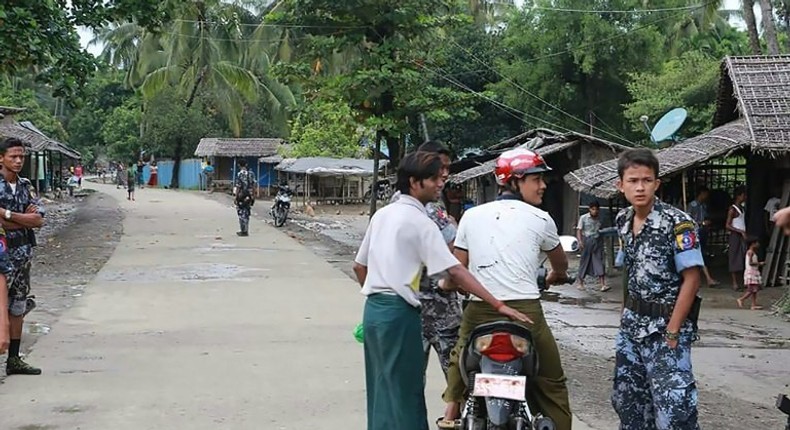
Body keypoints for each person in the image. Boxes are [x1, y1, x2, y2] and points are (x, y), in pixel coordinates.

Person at [352, 151, 530, 430]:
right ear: (414, 182)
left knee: (382, 390)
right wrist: (498, 304)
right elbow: (456, 271)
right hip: (399, 315)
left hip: (374, 312)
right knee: (406, 393)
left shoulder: (382, 215)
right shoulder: (421, 221)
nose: (440, 184)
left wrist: (380, 292)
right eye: (434, 178)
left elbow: (358, 267)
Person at [438, 148, 572, 430]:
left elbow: (459, 268)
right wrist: (555, 276)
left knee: (460, 358)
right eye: (535, 179)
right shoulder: (542, 219)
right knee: (551, 382)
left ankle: (449, 416)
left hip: (478, 311)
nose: (543, 185)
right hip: (526, 313)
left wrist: (454, 287)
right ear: (514, 181)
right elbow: (560, 266)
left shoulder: (471, 217)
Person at [610, 148, 704, 430]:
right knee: (629, 404)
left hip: (665, 328)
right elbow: (630, 272)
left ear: (656, 184)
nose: (640, 187)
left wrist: (673, 332)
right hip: (631, 328)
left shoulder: (677, 223)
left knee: (674, 411)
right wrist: (624, 316)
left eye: (647, 180)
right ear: (621, 185)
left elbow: (692, 278)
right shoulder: (623, 222)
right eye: (633, 180)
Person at [409, 140, 462, 380]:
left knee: (409, 381)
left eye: (446, 168)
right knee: (456, 378)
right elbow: (456, 250)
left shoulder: (398, 204)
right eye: (440, 168)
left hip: (409, 307)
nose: (444, 175)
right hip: (440, 308)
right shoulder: (432, 209)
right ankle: (455, 416)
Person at [0, 137, 45, 375]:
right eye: (13, 157)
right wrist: (22, 219)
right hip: (2, 257)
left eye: (21, 157)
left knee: (18, 306)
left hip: (23, 257)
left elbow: (38, 219)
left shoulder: (26, 185)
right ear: (1, 158)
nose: (18, 161)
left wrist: (7, 215)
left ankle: (14, 360)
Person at [687, 187, 719, 287]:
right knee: (698, 255)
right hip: (694, 232)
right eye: (705, 194)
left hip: (702, 231)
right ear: (701, 193)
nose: (707, 196)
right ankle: (707, 278)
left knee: (700, 254)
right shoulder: (693, 205)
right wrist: (701, 223)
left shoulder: (703, 206)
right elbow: (688, 220)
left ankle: (700, 279)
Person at [576, 201, 609, 292]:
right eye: (593, 209)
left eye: (596, 209)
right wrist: (580, 241)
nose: (595, 211)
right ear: (590, 209)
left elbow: (603, 229)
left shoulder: (600, 218)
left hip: (597, 240)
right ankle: (580, 282)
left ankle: (603, 284)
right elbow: (579, 230)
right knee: (584, 261)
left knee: (599, 260)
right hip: (587, 240)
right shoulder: (584, 218)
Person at [726, 185, 748, 291]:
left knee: (743, 257)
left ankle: (743, 281)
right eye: (744, 195)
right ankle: (735, 283)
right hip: (735, 235)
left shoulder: (742, 208)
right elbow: (728, 225)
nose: (745, 197)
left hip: (741, 235)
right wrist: (740, 231)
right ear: (739, 196)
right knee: (734, 257)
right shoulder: (732, 209)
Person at [737, 237, 764, 310]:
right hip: (751, 272)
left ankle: (753, 304)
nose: (758, 244)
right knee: (751, 289)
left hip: (753, 271)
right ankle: (741, 299)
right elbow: (750, 263)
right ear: (753, 244)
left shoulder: (752, 252)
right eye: (757, 243)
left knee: (755, 290)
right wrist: (759, 263)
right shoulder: (750, 252)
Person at [233, 159, 255, 237]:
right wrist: (253, 196)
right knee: (247, 212)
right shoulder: (251, 174)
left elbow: (238, 186)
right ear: (246, 165)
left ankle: (243, 230)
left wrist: (235, 197)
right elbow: (253, 185)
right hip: (249, 195)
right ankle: (246, 230)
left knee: (241, 213)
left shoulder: (239, 174)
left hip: (241, 196)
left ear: (239, 165)